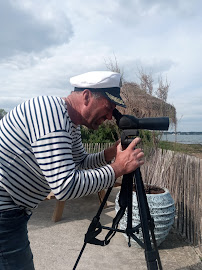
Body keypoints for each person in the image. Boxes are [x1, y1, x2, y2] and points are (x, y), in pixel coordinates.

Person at [0, 71, 144, 269]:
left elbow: (81, 162)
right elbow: (65, 186)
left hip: (14, 208)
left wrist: (110, 153)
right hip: (4, 210)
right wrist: (118, 168)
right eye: (109, 107)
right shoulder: (50, 112)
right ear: (86, 96)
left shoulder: (70, 122)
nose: (111, 116)